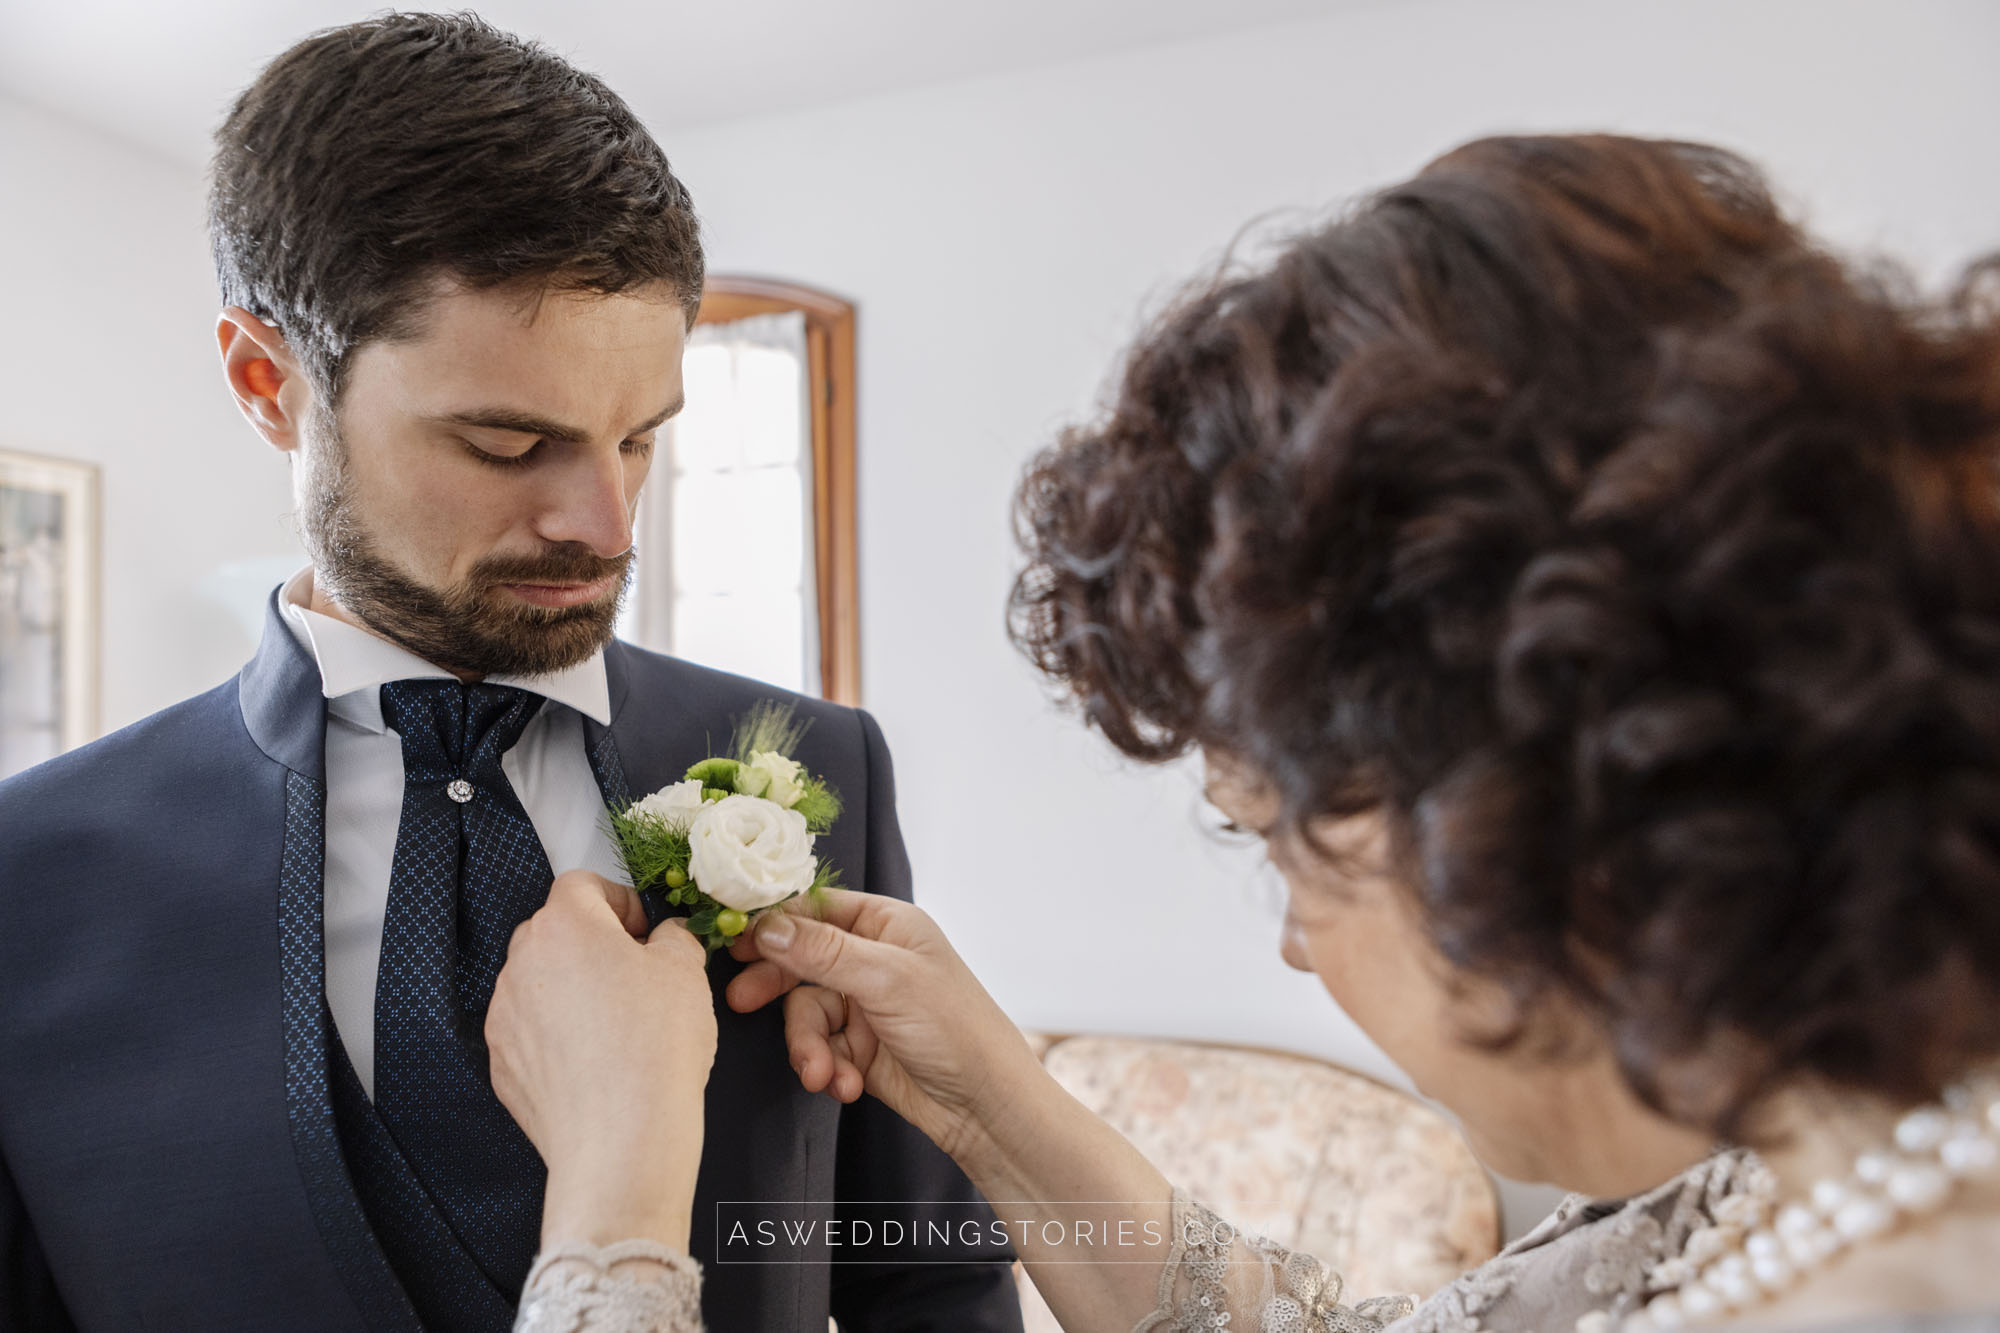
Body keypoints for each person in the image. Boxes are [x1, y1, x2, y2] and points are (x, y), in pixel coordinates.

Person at [485, 134, 2000, 1331]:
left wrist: (616, 1216)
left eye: (1278, 840)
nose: (1291, 942)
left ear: (1519, 797)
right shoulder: (1824, 1169)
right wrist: (988, 1101)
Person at [0, 13, 1021, 1332]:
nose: (605, 526)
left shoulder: (819, 768)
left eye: (641, 439)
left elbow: (927, 1282)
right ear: (270, 383)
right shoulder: (29, 879)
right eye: (505, 440)